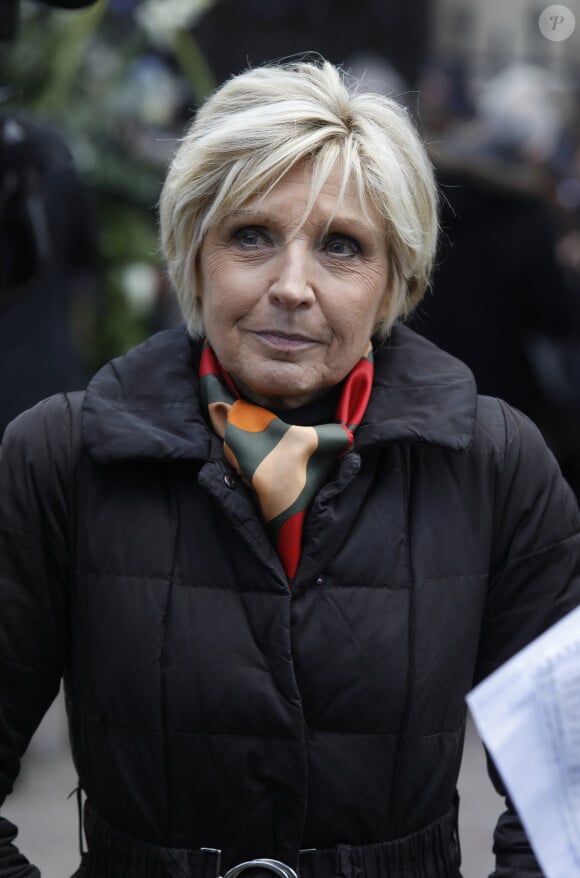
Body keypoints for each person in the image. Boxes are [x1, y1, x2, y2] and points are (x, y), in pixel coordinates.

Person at [0, 59, 579, 878]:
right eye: (251, 237)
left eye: (342, 247)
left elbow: (564, 806)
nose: (292, 287)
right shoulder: (60, 457)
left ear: (393, 281)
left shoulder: (495, 464)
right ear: (194, 252)